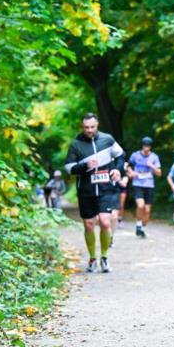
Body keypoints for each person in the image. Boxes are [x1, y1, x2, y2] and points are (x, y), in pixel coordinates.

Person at [63, 113, 125, 273]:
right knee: (89, 225)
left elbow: (120, 155)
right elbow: (69, 168)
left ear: (97, 125)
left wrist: (118, 170)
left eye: (92, 127)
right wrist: (84, 166)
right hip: (86, 190)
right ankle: (92, 259)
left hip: (106, 188)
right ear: (82, 127)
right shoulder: (76, 144)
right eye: (86, 127)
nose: (89, 130)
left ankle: (104, 257)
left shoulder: (108, 139)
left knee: (105, 222)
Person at [126, 136, 162, 238]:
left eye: (148, 146)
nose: (146, 148)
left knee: (147, 210)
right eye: (145, 146)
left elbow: (159, 173)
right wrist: (131, 172)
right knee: (140, 205)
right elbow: (128, 166)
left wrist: (152, 166)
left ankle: (142, 228)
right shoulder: (135, 155)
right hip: (138, 184)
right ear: (142, 146)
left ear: (150, 147)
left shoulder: (154, 157)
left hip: (149, 185)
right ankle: (138, 225)